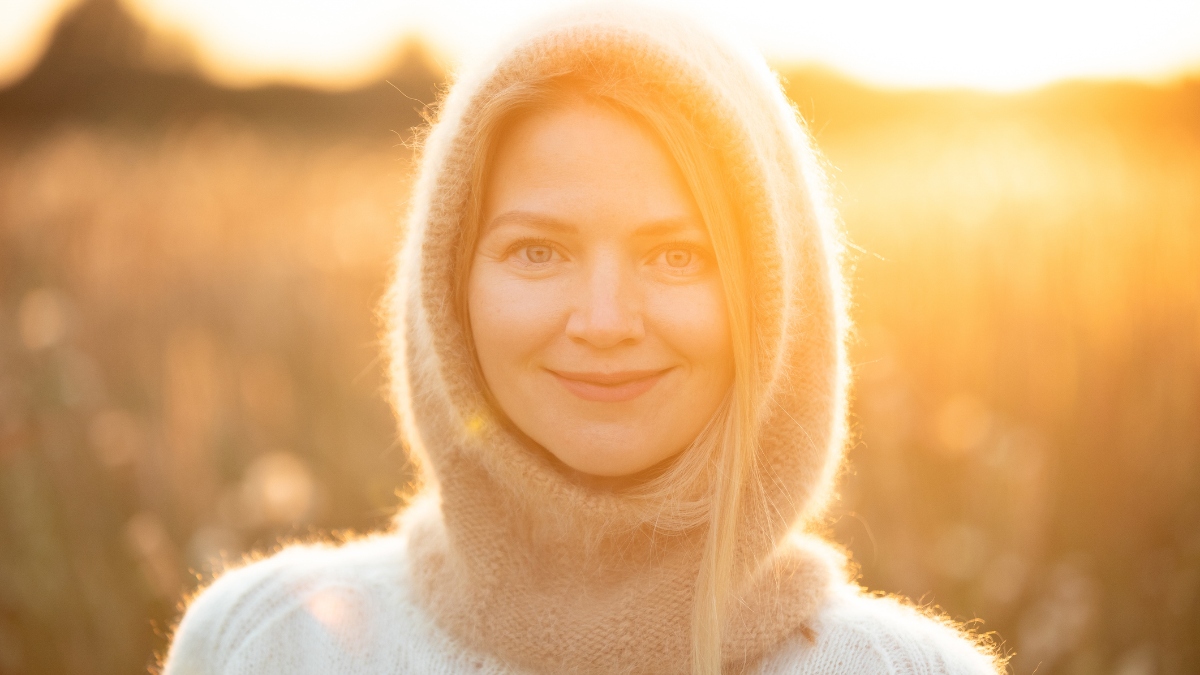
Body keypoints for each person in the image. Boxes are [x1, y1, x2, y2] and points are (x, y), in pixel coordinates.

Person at [163, 6, 1003, 674]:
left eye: (679, 255)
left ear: (776, 300)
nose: (604, 321)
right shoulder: (265, 645)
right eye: (538, 251)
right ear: (449, 292)